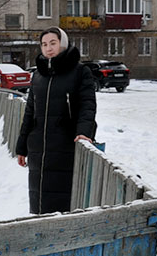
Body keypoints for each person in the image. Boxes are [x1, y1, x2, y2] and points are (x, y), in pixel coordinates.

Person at [15, 27, 97, 214]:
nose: (48, 48)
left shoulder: (79, 72)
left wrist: (84, 132)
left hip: (65, 145)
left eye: (53, 43)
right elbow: (30, 112)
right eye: (44, 44)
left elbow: (87, 106)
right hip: (38, 148)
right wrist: (22, 147)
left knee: (62, 202)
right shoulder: (38, 75)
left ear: (63, 43)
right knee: (38, 200)